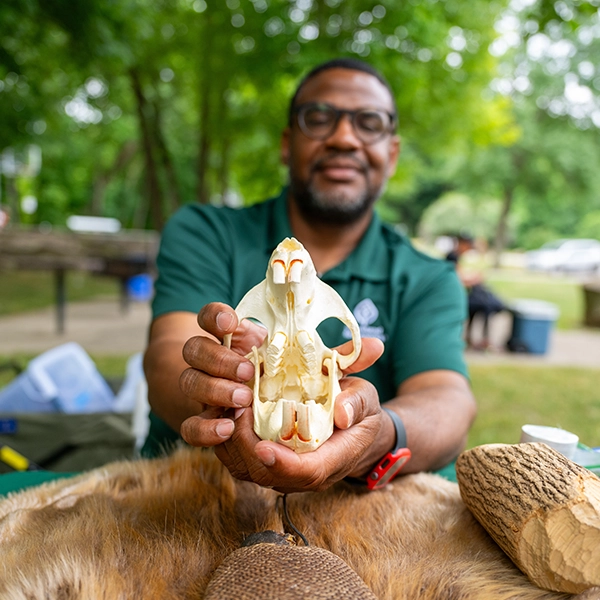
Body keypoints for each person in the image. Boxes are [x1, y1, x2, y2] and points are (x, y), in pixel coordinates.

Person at [143, 58, 477, 493]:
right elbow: (168, 352)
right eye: (318, 119)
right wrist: (221, 394)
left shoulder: (429, 278)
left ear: (391, 154)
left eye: (369, 123)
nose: (343, 138)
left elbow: (448, 400)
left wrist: (376, 433)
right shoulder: (206, 232)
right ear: (286, 144)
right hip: (187, 493)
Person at [446, 234, 505, 350]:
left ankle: (477, 338)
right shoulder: (452, 257)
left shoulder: (456, 256)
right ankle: (485, 339)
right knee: (486, 305)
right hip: (454, 297)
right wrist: (473, 279)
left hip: (461, 294)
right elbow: (455, 278)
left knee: (486, 302)